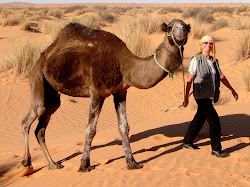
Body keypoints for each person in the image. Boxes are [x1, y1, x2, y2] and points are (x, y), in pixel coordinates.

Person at [182, 35, 238, 158]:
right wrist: (186, 97)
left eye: (211, 43)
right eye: (205, 43)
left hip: (210, 95)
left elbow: (221, 77)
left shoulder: (213, 61)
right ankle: (216, 149)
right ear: (201, 45)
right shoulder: (196, 59)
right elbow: (189, 79)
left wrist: (232, 89)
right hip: (201, 96)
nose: (208, 45)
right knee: (214, 121)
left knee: (200, 118)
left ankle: (187, 141)